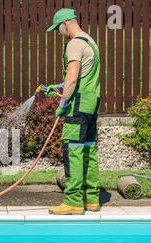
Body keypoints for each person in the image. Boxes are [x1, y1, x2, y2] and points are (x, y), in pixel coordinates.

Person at [45, 8, 101, 215]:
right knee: (88, 150)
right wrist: (59, 87)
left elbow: (73, 76)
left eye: (58, 29)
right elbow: (83, 76)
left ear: (66, 23)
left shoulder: (74, 44)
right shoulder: (90, 41)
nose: (58, 33)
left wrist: (63, 103)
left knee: (73, 151)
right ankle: (92, 198)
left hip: (77, 105)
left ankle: (74, 201)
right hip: (91, 103)